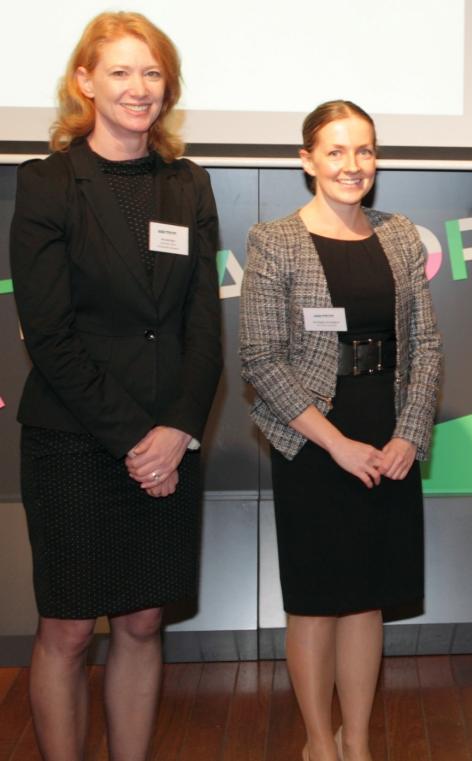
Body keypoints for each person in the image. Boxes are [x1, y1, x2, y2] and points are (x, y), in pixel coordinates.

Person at [8, 12, 222, 761]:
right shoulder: (47, 183)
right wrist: (138, 438)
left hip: (169, 438)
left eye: (153, 72)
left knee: (141, 621)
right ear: (85, 83)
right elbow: (50, 332)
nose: (139, 88)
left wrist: (178, 429)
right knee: (68, 626)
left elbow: (203, 327)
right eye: (123, 72)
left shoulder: (188, 184)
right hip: (75, 440)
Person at [239, 100, 441, 761]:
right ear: (307, 160)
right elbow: (260, 359)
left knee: (367, 598)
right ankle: (319, 743)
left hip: (387, 434)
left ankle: (358, 743)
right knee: (317, 599)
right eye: (336, 151)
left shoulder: (402, 234)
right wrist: (336, 442)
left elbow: (426, 344)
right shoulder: (275, 240)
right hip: (314, 439)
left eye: (365, 151)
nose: (353, 165)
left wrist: (409, 433)